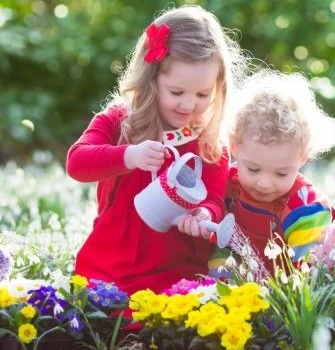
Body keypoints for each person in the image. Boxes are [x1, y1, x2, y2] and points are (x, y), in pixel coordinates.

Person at [66, 5, 248, 295]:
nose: (188, 105)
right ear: (151, 79)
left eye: (203, 94)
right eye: (177, 92)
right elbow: (77, 163)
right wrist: (129, 155)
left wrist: (204, 214)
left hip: (177, 270)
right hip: (112, 264)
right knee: (105, 317)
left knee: (179, 323)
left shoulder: (208, 139)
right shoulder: (120, 120)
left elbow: (214, 198)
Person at [209, 69, 335, 275]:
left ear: (303, 157)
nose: (264, 183)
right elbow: (223, 244)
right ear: (234, 146)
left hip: (290, 294)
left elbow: (311, 271)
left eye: (281, 174)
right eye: (253, 169)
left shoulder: (305, 206)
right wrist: (221, 282)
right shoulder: (227, 185)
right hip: (245, 291)